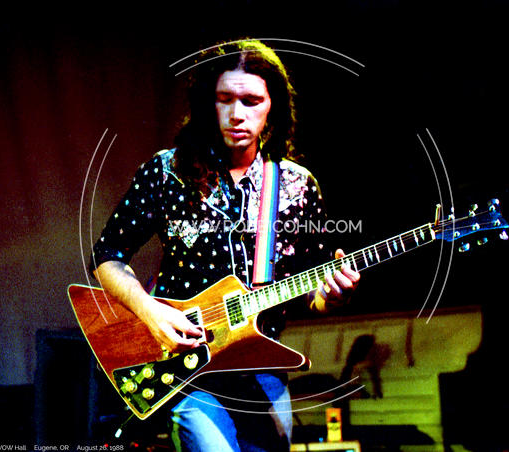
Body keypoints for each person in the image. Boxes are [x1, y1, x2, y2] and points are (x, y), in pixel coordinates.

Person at [90, 39, 360, 452]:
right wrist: (151, 311)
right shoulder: (166, 172)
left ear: (272, 107)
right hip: (189, 370)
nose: (237, 114)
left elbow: (312, 292)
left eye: (251, 101)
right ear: (207, 103)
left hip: (263, 369)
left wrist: (332, 296)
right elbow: (107, 256)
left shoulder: (297, 185)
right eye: (225, 99)